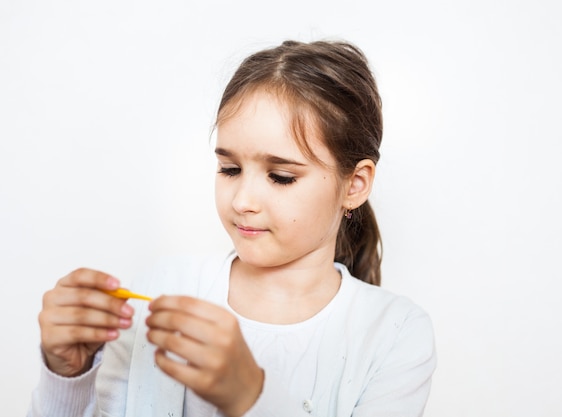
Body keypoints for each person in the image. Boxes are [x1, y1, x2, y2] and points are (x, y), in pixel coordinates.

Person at [28, 39, 436, 417]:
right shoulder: (164, 288)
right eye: (229, 169)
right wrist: (66, 378)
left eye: (280, 176)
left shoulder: (396, 335)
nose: (242, 201)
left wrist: (250, 395)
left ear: (355, 184)